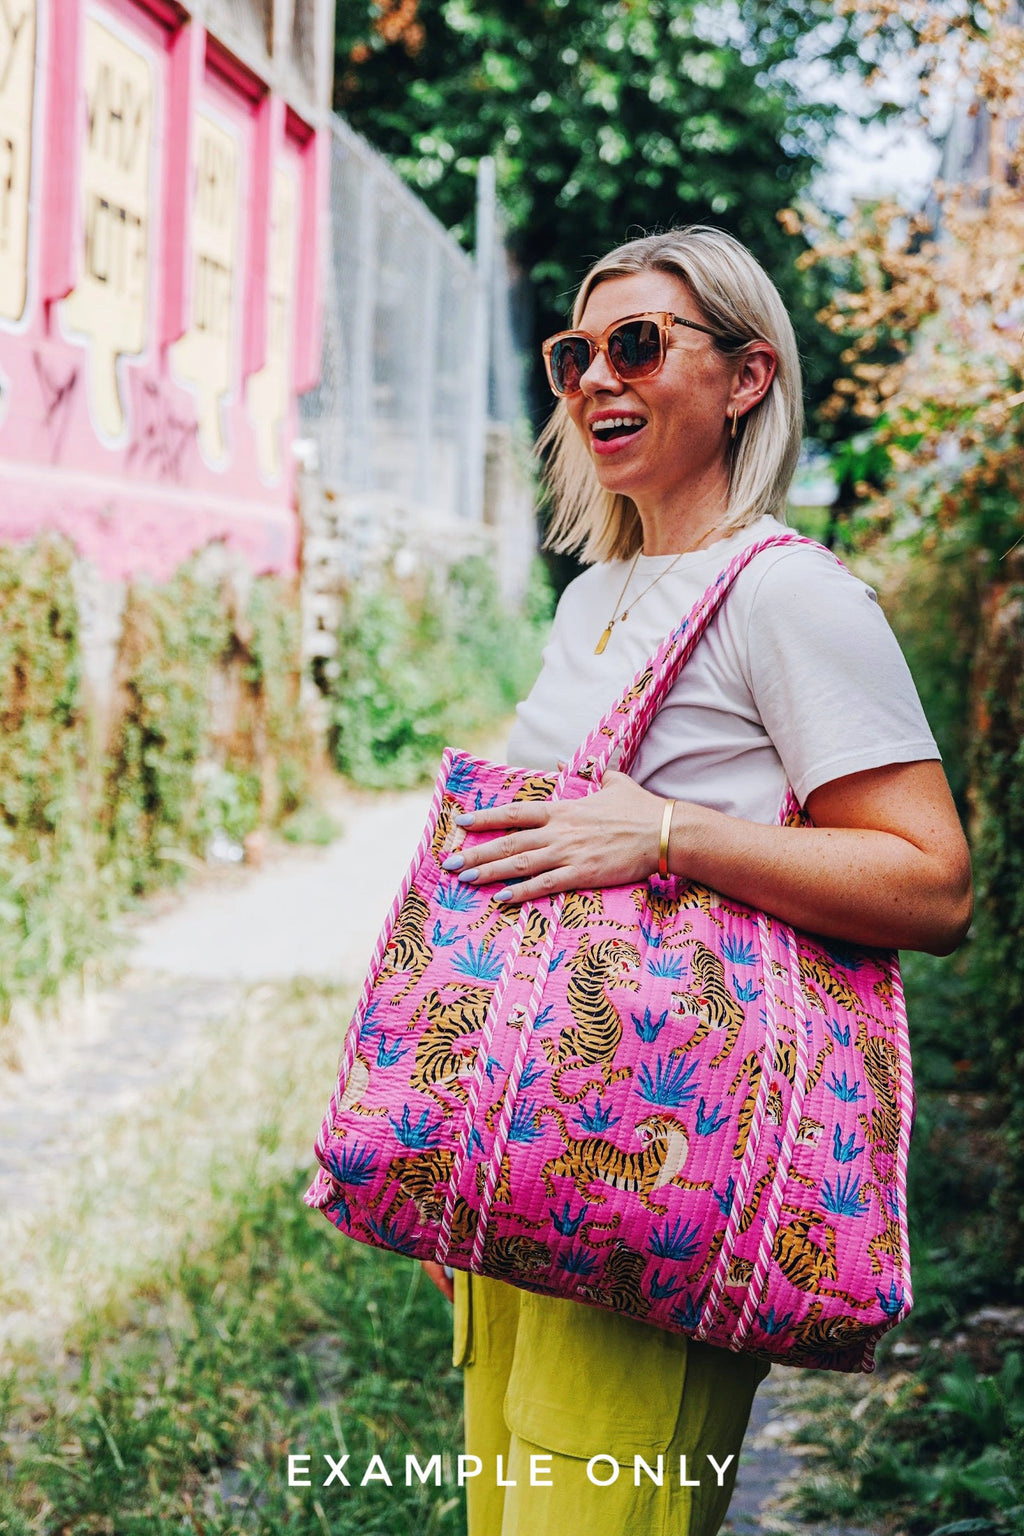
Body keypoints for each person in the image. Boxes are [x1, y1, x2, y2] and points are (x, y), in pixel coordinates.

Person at [422, 225, 973, 1536]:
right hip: (535, 1147)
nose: (596, 379)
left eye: (637, 344)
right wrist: (463, 1150)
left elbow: (933, 881)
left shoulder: (791, 599)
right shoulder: (594, 595)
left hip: (659, 1173)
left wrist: (670, 834)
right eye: (575, 353)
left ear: (746, 377)